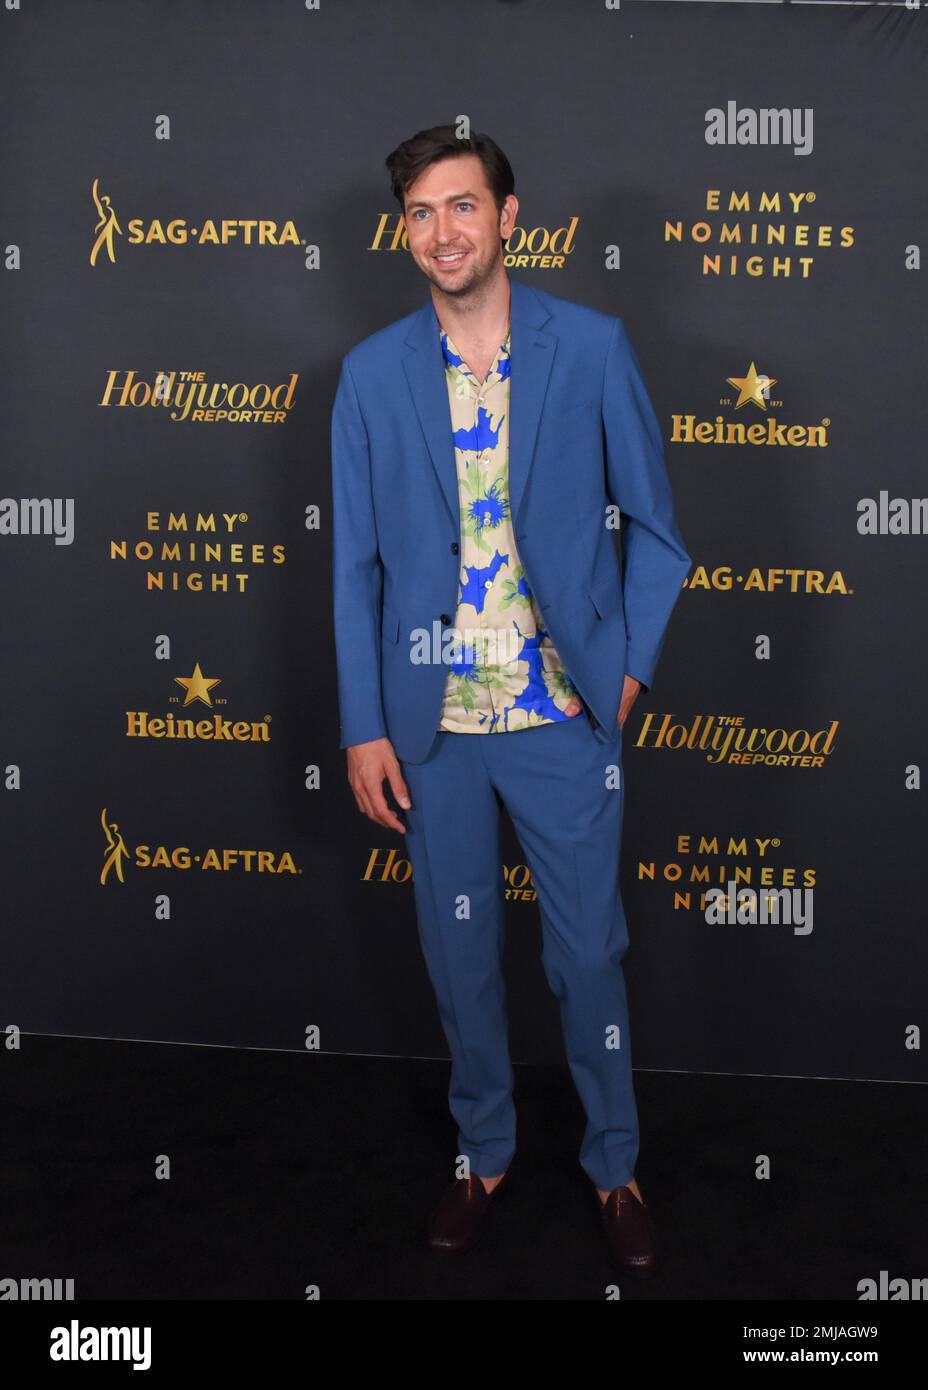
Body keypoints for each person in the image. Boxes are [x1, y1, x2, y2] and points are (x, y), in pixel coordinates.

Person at [330, 125, 690, 1276]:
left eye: (462, 207)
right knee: (460, 960)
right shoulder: (372, 373)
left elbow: (660, 536)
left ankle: (615, 1165)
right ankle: (481, 1154)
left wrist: (623, 671)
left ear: (508, 216)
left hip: (560, 722)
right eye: (421, 213)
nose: (443, 232)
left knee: (587, 959)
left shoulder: (589, 348)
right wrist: (363, 725)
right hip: (432, 732)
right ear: (405, 231)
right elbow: (356, 570)